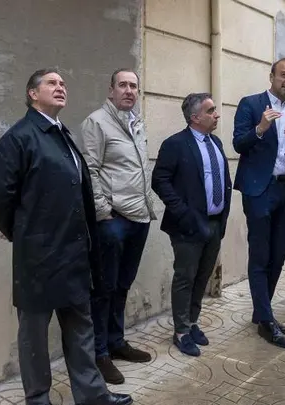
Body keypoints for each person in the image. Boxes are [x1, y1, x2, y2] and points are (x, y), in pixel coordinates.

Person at [0, 68, 132, 405]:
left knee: (80, 323)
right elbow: (2, 196)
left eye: (63, 83)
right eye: (51, 83)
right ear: (32, 94)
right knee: (34, 333)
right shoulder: (18, 138)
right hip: (38, 256)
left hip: (74, 251)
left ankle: (90, 391)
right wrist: (18, 232)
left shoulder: (63, 134)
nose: (61, 87)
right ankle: (37, 401)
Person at [79, 69, 155, 385]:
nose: (129, 90)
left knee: (122, 285)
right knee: (103, 289)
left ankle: (116, 341)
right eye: (122, 85)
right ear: (111, 90)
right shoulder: (97, 122)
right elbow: (90, 169)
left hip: (139, 217)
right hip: (113, 220)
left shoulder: (136, 122)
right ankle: (99, 353)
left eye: (133, 86)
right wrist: (102, 212)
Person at [151, 93, 232, 357]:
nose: (216, 114)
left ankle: (192, 322)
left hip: (214, 223)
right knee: (185, 277)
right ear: (195, 117)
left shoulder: (215, 142)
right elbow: (159, 180)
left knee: (202, 277)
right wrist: (183, 212)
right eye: (210, 110)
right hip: (187, 225)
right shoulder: (175, 144)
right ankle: (181, 331)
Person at [232, 58, 285, 349]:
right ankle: (265, 319)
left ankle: (262, 312)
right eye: (283, 75)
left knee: (279, 253)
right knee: (260, 254)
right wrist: (260, 127)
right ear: (271, 76)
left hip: (284, 190)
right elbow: (239, 144)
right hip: (258, 190)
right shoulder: (250, 104)